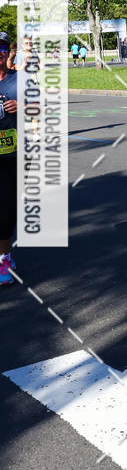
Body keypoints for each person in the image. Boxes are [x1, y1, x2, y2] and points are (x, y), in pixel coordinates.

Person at [0, 32, 18, 285]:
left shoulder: (20, 80)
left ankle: (4, 257)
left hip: (13, 155)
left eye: (2, 47)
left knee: (6, 209)